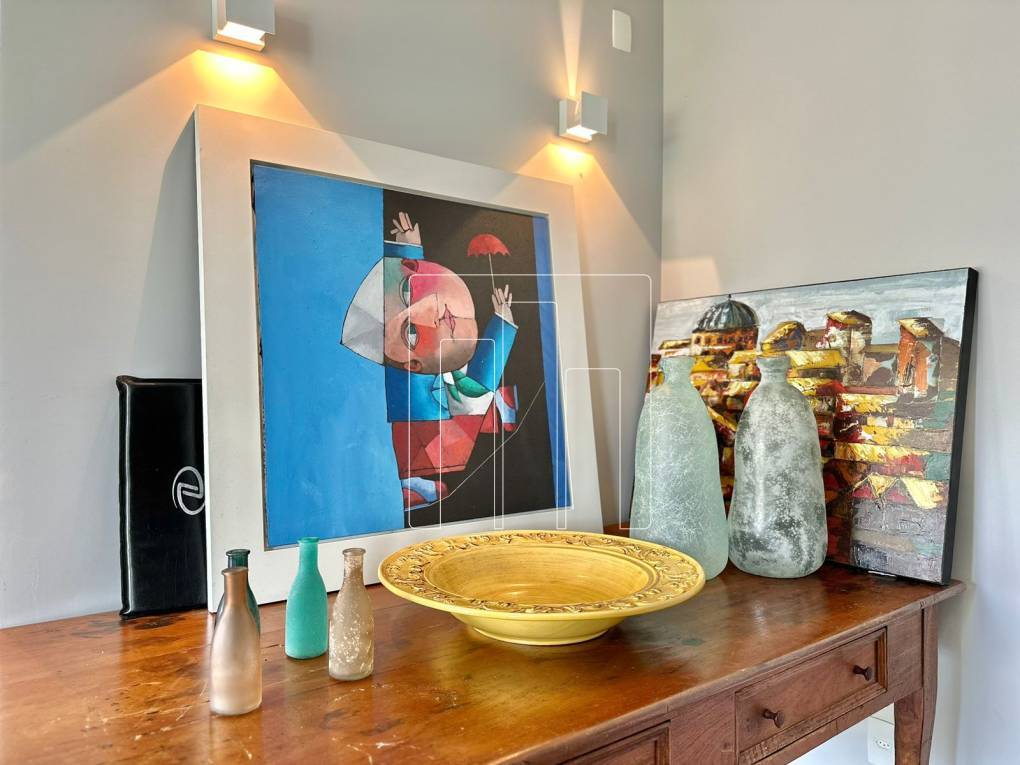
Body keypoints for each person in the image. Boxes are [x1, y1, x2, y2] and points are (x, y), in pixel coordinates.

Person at [341, 212, 519, 517]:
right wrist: (502, 325)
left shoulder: (445, 377)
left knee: (468, 397)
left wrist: (408, 253)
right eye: (411, 331)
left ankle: (414, 480)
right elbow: (479, 385)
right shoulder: (408, 374)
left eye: (409, 293)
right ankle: (411, 482)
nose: (431, 313)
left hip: (442, 431)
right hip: (427, 436)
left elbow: (479, 384)